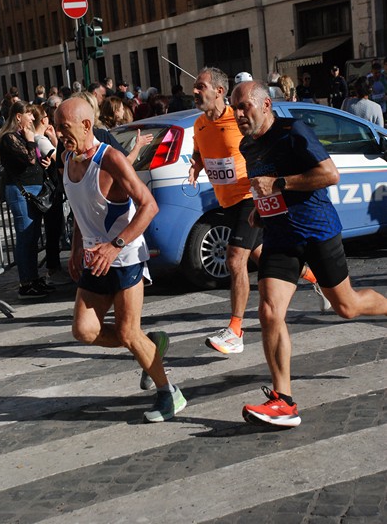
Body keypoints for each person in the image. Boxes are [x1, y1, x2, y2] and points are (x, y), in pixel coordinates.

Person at [231, 80, 387, 428]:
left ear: (266, 104)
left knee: (346, 307)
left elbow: (329, 174)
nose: (239, 114)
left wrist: (281, 184)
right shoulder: (247, 146)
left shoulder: (293, 131)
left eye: (245, 106)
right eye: (235, 108)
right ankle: (283, 400)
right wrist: (261, 209)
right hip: (280, 236)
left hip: (317, 230)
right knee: (270, 311)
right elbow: (264, 188)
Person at [54, 97, 187, 423]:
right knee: (84, 331)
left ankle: (169, 393)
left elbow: (149, 206)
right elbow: (80, 211)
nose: (59, 135)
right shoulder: (68, 158)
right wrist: (74, 250)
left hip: (125, 257)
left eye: (64, 128)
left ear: (87, 125)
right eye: (57, 128)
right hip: (93, 260)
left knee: (128, 333)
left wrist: (115, 246)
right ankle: (152, 344)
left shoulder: (110, 159)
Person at [188, 67, 328, 355]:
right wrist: (196, 164)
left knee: (235, 260)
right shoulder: (199, 124)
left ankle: (235, 331)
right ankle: (318, 279)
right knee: (259, 253)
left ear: (219, 91)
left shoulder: (239, 120)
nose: (194, 91)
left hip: (249, 197)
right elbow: (200, 151)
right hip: (226, 200)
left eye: (200, 86)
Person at [0, 101, 54, 299]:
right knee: (25, 237)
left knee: (34, 235)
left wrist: (43, 163)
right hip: (21, 191)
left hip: (34, 190)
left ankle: (34, 278)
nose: (32, 118)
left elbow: (33, 161)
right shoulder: (9, 138)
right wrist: (30, 141)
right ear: (18, 116)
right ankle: (25, 283)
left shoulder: (22, 136)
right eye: (29, 114)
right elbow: (28, 159)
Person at [30, 104, 72, 286]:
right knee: (53, 228)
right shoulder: (40, 140)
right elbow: (61, 157)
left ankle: (54, 266)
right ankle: (53, 267)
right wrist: (55, 139)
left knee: (56, 227)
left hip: (55, 189)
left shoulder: (42, 138)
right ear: (44, 119)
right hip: (52, 190)